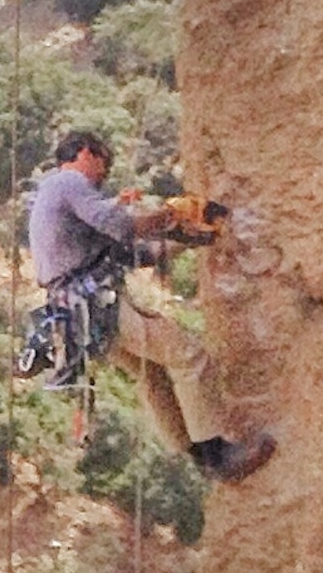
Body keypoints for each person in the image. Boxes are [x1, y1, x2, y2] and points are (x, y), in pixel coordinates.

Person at [27, 127, 275, 482]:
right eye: (103, 166)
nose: (103, 179)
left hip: (76, 315)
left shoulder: (58, 203)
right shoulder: (67, 183)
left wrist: (192, 239)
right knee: (186, 354)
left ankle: (195, 453)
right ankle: (217, 454)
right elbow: (121, 225)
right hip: (93, 301)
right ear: (85, 153)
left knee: (152, 373)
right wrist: (171, 215)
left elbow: (136, 253)